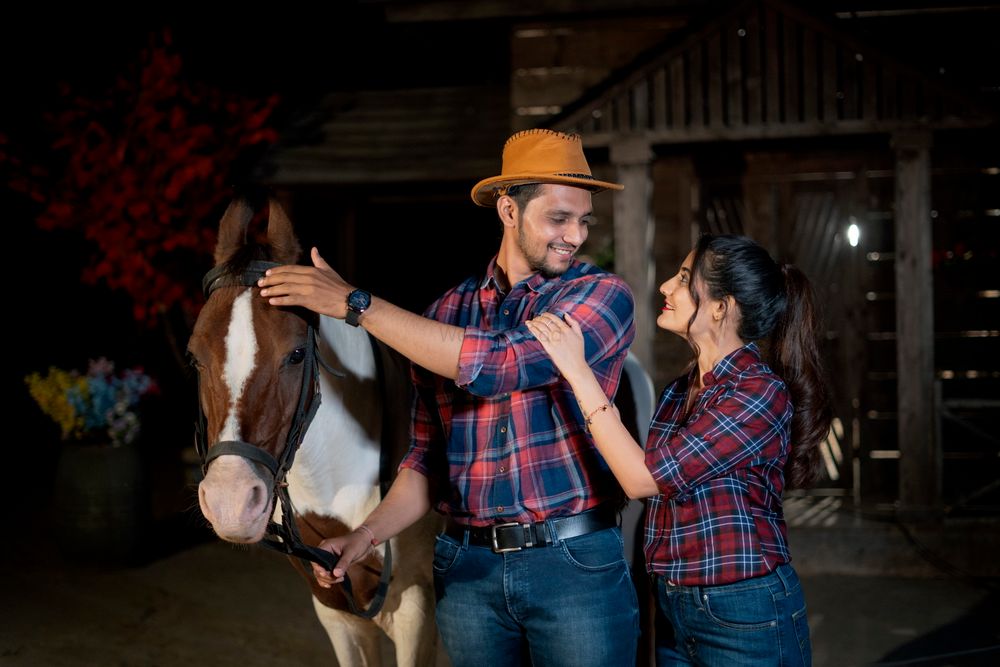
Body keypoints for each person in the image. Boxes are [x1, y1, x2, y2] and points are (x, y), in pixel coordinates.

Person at [257, 129, 640, 666]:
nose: (574, 235)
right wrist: (365, 536)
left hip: (572, 565)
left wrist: (356, 304)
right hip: (468, 570)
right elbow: (426, 459)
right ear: (509, 210)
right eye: (559, 218)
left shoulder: (600, 296)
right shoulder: (446, 312)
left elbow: (498, 365)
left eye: (584, 220)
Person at [526, 234, 831, 666]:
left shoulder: (757, 393)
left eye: (685, 279)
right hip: (675, 603)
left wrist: (577, 369)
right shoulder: (680, 391)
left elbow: (642, 479)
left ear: (721, 307)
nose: (666, 286)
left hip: (743, 610)